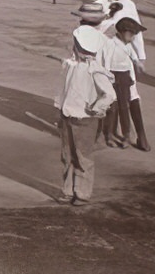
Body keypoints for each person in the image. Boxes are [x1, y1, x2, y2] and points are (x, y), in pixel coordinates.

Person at [57, 26, 115, 205]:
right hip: (68, 116)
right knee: (67, 154)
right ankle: (68, 190)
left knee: (83, 156)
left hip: (85, 120)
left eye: (75, 45)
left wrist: (97, 107)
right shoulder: (71, 65)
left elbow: (110, 94)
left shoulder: (95, 70)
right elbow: (64, 91)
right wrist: (60, 110)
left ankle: (82, 193)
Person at [104, 17, 150, 152]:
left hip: (124, 77)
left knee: (124, 107)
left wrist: (139, 64)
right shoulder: (111, 43)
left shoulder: (127, 45)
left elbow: (134, 57)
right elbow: (106, 61)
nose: (132, 38)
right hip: (113, 76)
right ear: (123, 32)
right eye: (131, 35)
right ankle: (109, 134)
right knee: (112, 108)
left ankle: (126, 135)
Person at [93, 0, 146, 70]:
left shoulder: (129, 4)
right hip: (103, 50)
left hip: (123, 56)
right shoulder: (99, 4)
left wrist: (141, 55)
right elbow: (93, 31)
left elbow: (135, 30)